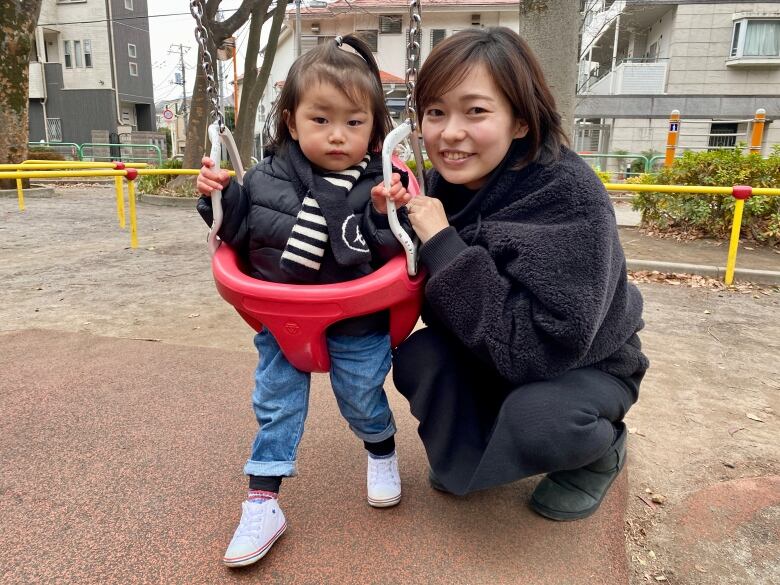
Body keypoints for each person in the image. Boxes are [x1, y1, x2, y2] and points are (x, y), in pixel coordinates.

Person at [371, 27, 649, 521]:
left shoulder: (568, 197)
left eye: (475, 111)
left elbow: (540, 350)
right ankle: (474, 450)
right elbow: (398, 276)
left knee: (539, 420)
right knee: (421, 357)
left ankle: (599, 453)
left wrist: (443, 243)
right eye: (436, 112)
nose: (449, 133)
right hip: (491, 350)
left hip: (583, 365)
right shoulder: (437, 185)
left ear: (520, 121)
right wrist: (381, 220)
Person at [196, 35, 411, 567]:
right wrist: (217, 197)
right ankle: (263, 500)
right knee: (276, 406)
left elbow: (392, 251)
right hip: (284, 320)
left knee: (361, 397)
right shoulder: (264, 179)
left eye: (354, 123)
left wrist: (386, 215)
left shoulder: (379, 184)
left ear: (375, 129)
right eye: (321, 120)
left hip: (356, 320)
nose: (338, 135)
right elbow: (237, 233)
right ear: (292, 123)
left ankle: (380, 449)